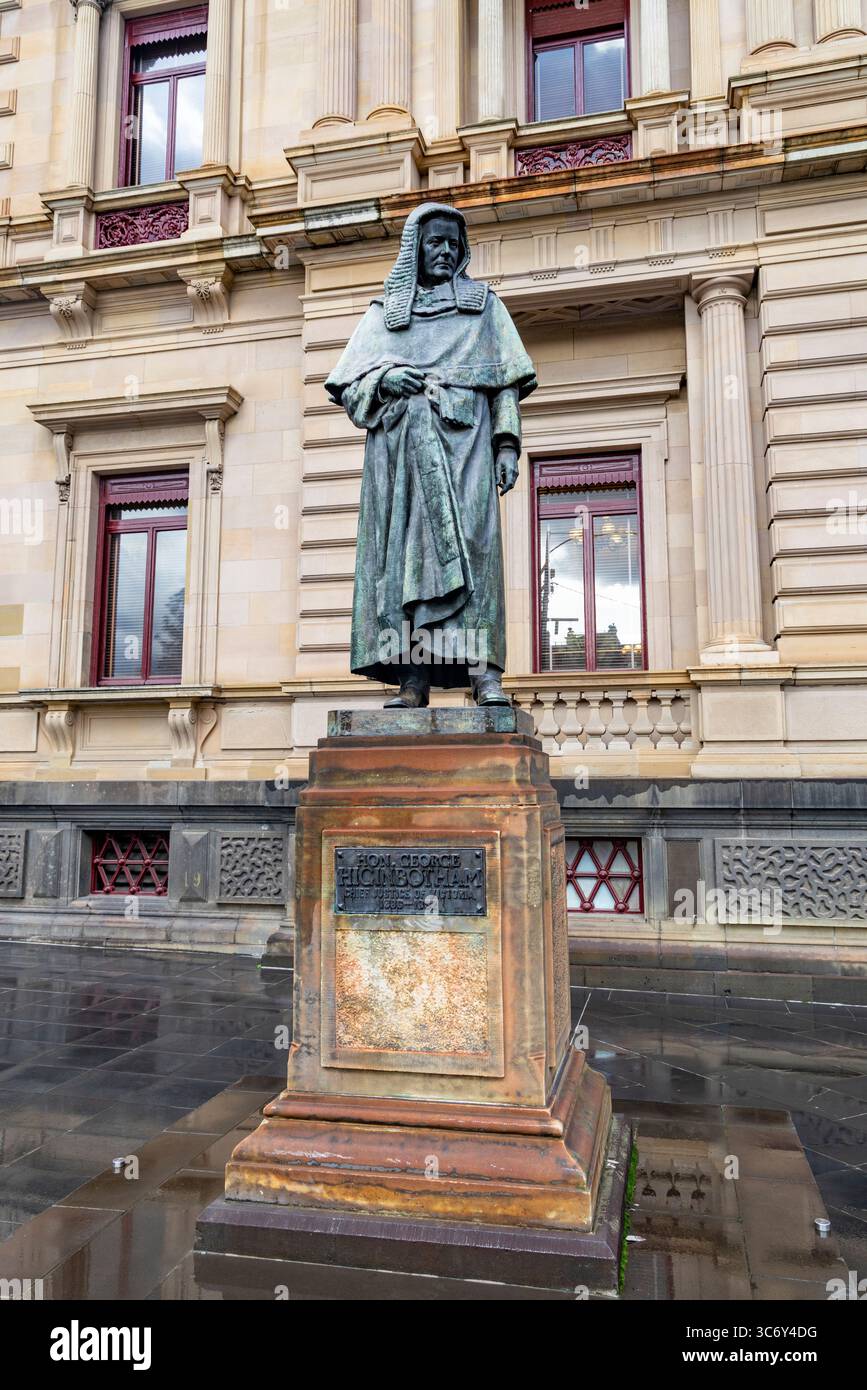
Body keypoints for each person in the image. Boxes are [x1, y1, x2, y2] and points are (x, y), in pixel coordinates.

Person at [325, 202, 537, 708]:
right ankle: (412, 680)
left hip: (468, 451)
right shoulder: (384, 316)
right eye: (434, 242)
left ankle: (484, 676)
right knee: (405, 564)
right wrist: (385, 379)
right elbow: (350, 386)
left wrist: (506, 443)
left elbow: (503, 381)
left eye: (452, 244)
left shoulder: (484, 307)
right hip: (401, 461)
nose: (444, 251)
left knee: (476, 553)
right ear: (414, 249)